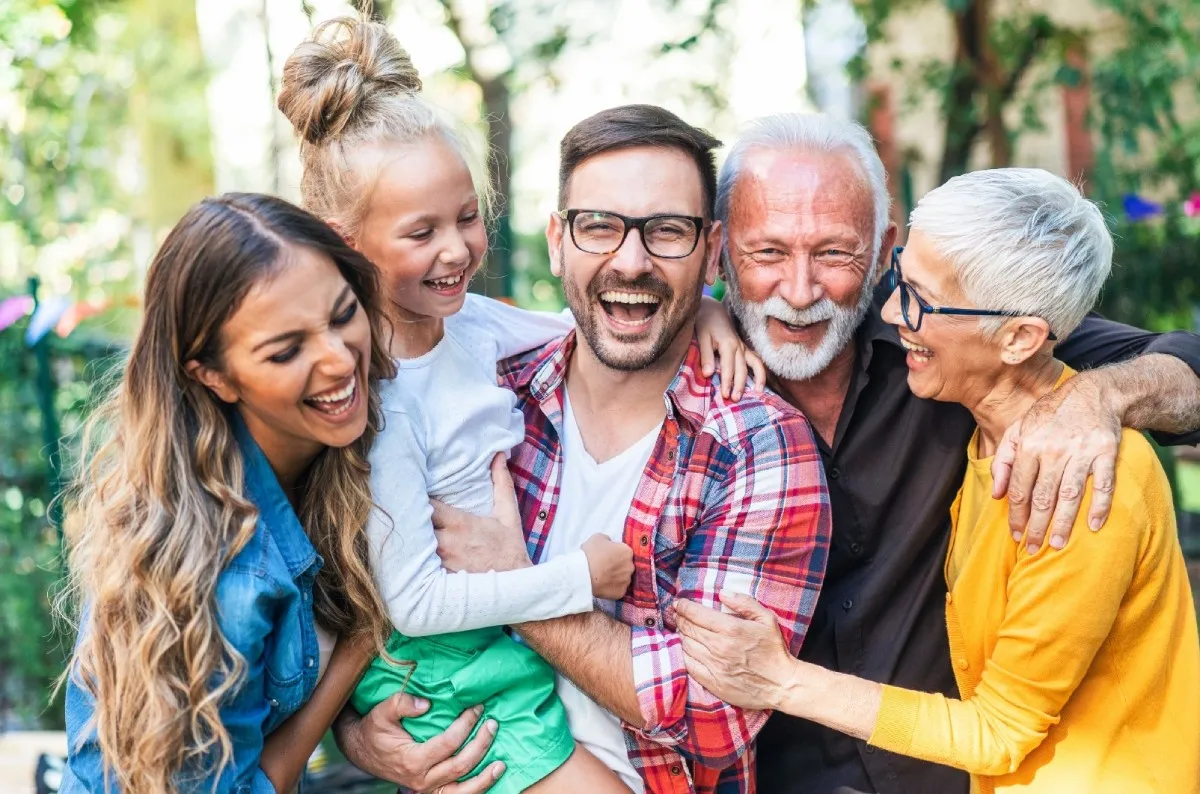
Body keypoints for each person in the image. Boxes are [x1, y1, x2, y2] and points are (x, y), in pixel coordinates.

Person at [276, 22, 763, 794]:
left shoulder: (469, 324)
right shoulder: (383, 400)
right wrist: (577, 577)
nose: (458, 249)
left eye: (467, 217)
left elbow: (605, 315)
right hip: (442, 662)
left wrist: (703, 307)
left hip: (491, 646)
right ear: (347, 242)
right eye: (422, 232)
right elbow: (413, 600)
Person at [691, 112, 1200, 794]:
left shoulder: (979, 359)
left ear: (881, 250)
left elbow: (1176, 362)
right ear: (723, 252)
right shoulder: (690, 378)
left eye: (835, 253)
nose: (801, 288)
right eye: (767, 253)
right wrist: (697, 306)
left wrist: (1102, 398)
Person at [337, 104, 833, 794]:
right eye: (598, 226)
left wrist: (511, 582)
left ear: (711, 249)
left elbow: (715, 711)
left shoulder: (755, 442)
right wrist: (358, 733)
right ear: (557, 241)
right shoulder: (488, 389)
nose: (630, 261)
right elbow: (362, 584)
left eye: (668, 232)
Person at [59, 193, 398, 794]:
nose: (339, 358)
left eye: (344, 314)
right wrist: (359, 647)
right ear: (211, 374)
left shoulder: (327, 443)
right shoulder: (225, 574)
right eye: (287, 350)